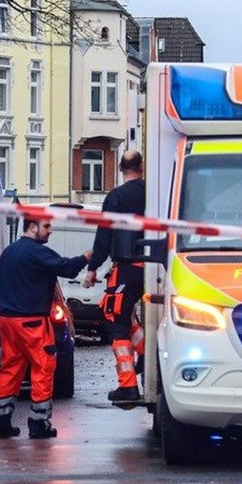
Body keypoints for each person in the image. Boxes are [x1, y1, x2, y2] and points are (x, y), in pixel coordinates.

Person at [0, 217, 92, 439]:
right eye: (46, 226)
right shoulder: (37, 252)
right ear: (32, 227)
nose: (50, 231)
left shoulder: (9, 252)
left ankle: (0, 422)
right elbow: (67, 268)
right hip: (32, 323)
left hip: (8, 321)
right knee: (43, 368)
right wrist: (87, 257)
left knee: (10, 368)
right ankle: (39, 424)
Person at [83, 151, 147, 406]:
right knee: (128, 318)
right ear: (141, 167)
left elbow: (104, 234)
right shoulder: (154, 192)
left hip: (127, 266)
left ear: (120, 168)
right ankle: (150, 357)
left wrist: (93, 267)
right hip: (155, 267)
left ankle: (128, 385)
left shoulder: (116, 196)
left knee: (116, 319)